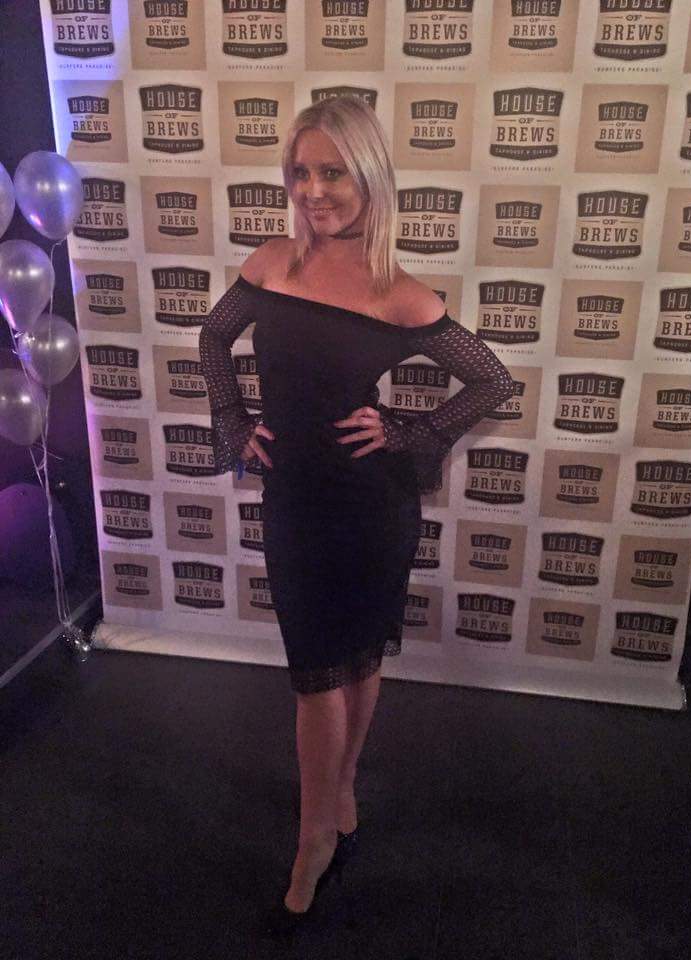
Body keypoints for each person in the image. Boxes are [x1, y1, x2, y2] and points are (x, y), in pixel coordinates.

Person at [198, 95, 514, 936]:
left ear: (369, 176)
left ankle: (330, 809)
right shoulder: (271, 263)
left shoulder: (399, 295)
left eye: (331, 171)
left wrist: (409, 431)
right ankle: (321, 829)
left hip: (373, 508)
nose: (313, 189)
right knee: (315, 674)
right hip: (295, 501)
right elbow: (212, 339)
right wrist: (232, 421)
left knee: (362, 658)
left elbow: (493, 380)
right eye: (300, 172)